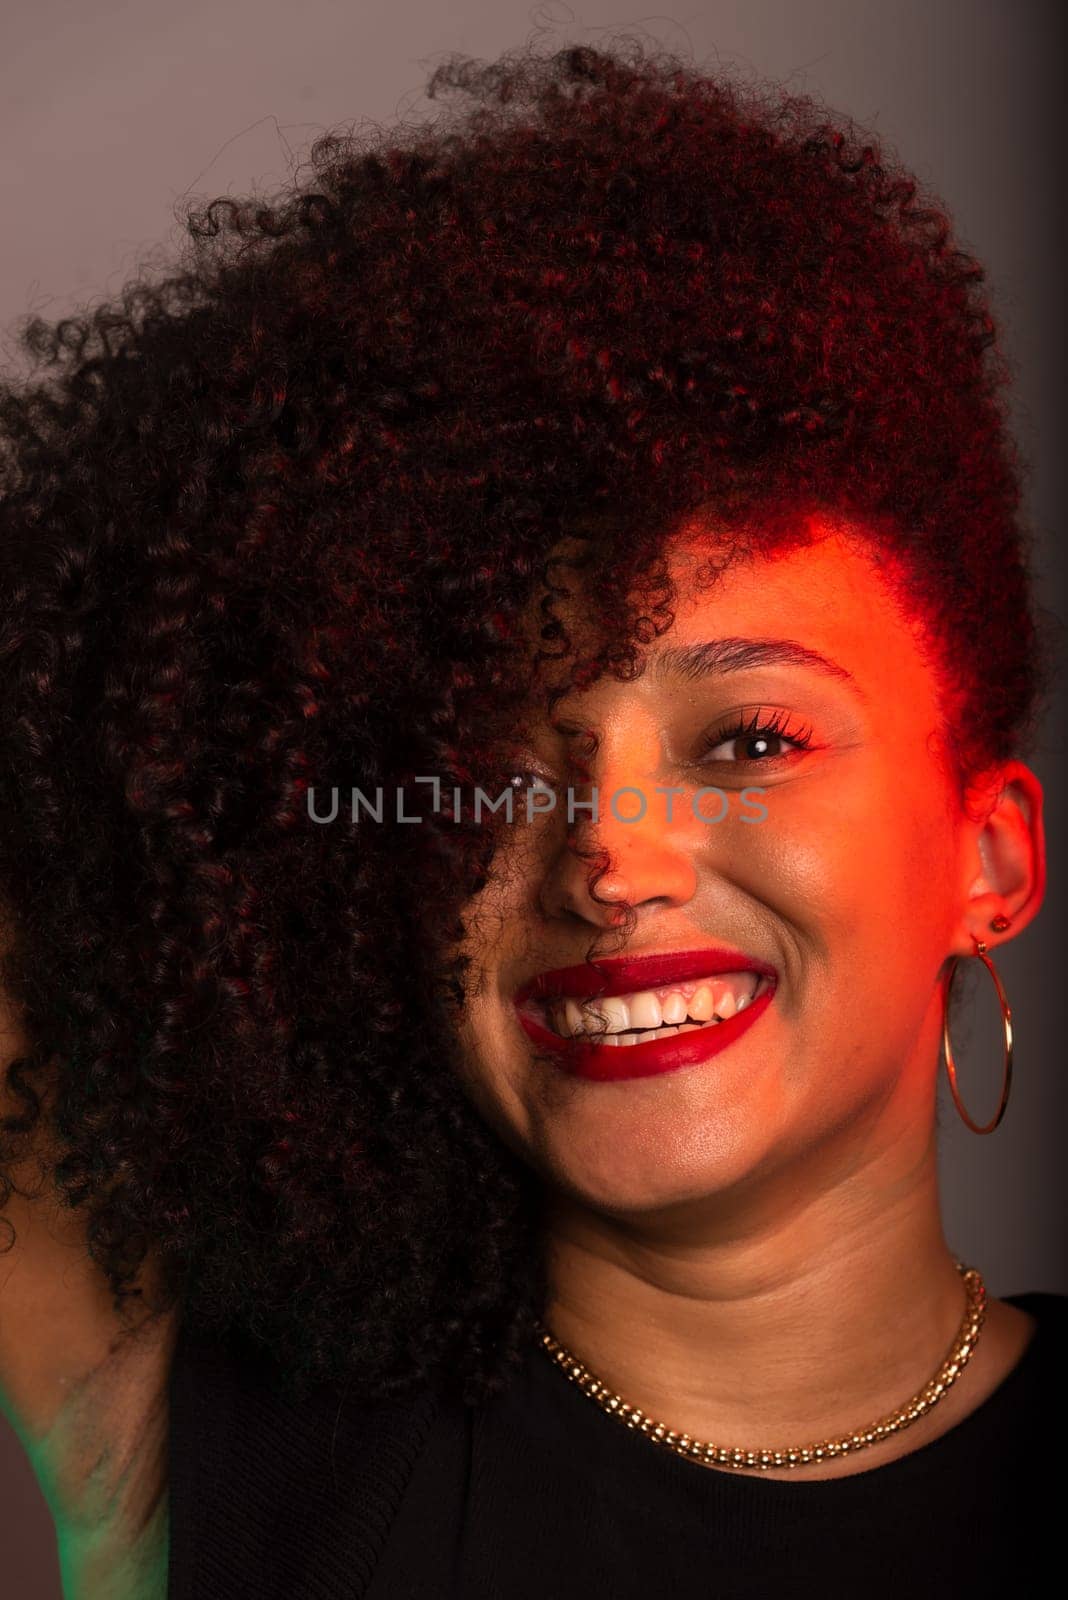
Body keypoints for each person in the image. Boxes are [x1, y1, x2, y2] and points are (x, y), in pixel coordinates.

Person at [0, 36, 1063, 1600]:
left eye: (749, 737)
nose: (609, 860)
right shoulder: (183, 1435)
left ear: (992, 859)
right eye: (497, 771)